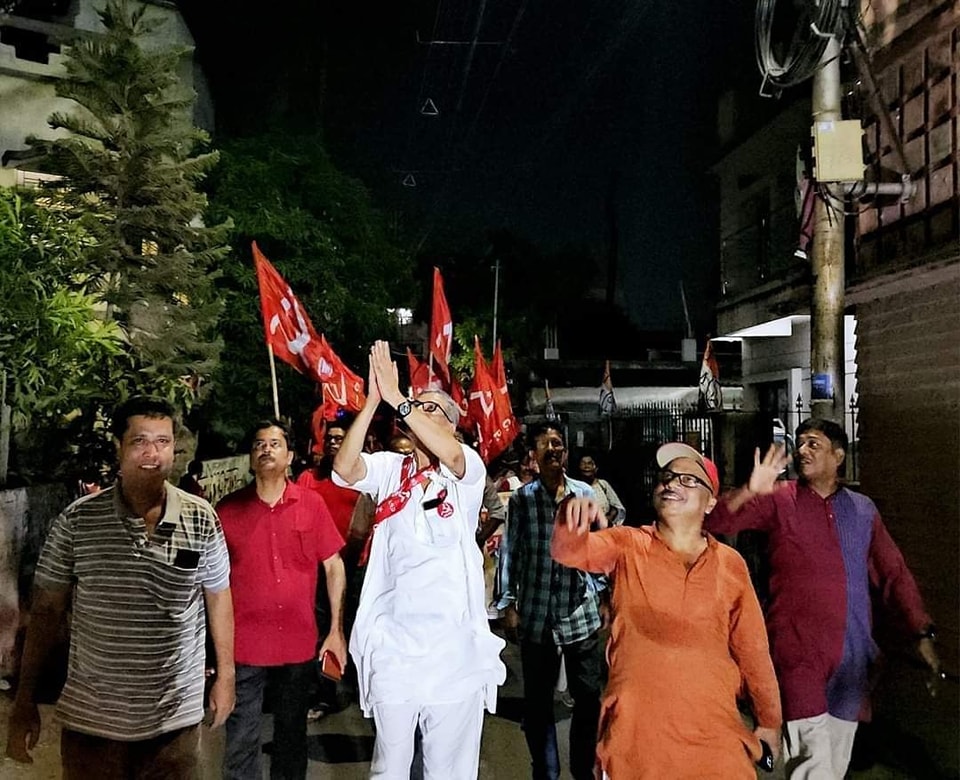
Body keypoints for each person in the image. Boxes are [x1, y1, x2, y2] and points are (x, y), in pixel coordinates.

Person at [5, 396, 235, 778]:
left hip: (173, 723)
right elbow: (47, 610)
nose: (152, 453)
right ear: (119, 448)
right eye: (139, 441)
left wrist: (226, 676)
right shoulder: (79, 521)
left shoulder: (200, 518)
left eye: (162, 442)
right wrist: (24, 699)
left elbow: (218, 595)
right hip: (93, 725)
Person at [705, 418, 940, 779]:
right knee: (814, 760)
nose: (802, 451)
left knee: (833, 761)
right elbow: (717, 521)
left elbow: (894, 573)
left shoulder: (863, 511)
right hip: (798, 652)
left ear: (839, 455)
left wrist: (921, 633)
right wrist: (751, 490)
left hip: (852, 660)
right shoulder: (780, 499)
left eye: (813, 444)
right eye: (799, 444)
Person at [553, 442, 782, 778]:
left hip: (715, 742)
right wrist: (571, 513)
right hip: (636, 744)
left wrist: (770, 721)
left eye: (689, 480)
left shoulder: (730, 565)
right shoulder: (628, 545)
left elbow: (753, 651)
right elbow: (570, 551)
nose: (672, 483)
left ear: (710, 503)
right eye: (667, 477)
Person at [332, 340, 506, 779]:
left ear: (452, 425)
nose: (415, 413)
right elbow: (344, 469)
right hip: (394, 648)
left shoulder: (465, 468)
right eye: (414, 408)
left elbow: (447, 453)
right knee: (388, 770)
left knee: (445, 772)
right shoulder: (392, 468)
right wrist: (374, 401)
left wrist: (398, 398)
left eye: (429, 409)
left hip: (453, 656)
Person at [217, 420, 347, 780]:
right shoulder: (228, 510)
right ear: (250, 457)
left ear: (290, 456)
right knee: (241, 737)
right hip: (243, 645)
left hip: (298, 642)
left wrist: (335, 629)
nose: (266, 449)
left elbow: (333, 564)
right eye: (259, 444)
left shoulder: (311, 504)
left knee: (292, 737)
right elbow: (210, 583)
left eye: (275, 444)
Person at [497, 422, 603, 780]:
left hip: (579, 613)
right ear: (534, 457)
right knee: (539, 703)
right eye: (545, 445)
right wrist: (508, 602)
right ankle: (546, 770)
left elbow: (601, 546)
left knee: (588, 699)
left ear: (567, 452)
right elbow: (512, 550)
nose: (553, 450)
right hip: (537, 614)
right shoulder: (524, 500)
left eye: (558, 444)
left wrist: (602, 592)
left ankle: (582, 769)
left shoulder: (585, 493)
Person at [296, 420, 368, 720]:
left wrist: (348, 555)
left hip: (356, 567)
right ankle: (326, 694)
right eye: (331, 438)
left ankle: (360, 688)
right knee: (321, 630)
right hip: (318, 570)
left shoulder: (362, 476)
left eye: (341, 438)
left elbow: (367, 522)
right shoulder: (308, 478)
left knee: (355, 630)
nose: (335, 443)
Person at [576, 452, 625, 526]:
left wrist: (608, 519)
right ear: (579, 467)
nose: (586, 466)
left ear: (595, 468)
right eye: (583, 463)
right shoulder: (575, 487)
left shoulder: (603, 484)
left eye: (589, 463)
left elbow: (617, 507)